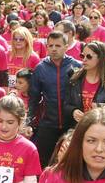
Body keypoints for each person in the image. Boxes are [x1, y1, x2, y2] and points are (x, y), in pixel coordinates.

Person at [28, 32, 81, 167]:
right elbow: (34, 97)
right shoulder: (40, 68)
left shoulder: (76, 66)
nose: (54, 49)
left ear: (66, 46)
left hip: (71, 123)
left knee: (71, 162)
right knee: (44, 161)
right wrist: (29, 121)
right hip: (48, 123)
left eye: (58, 45)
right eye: (50, 45)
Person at [67, 42, 105, 123]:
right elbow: (65, 104)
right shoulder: (74, 78)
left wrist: (102, 107)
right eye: (82, 56)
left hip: (101, 130)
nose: (84, 59)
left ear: (100, 58)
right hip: (78, 128)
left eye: (89, 56)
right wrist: (73, 111)